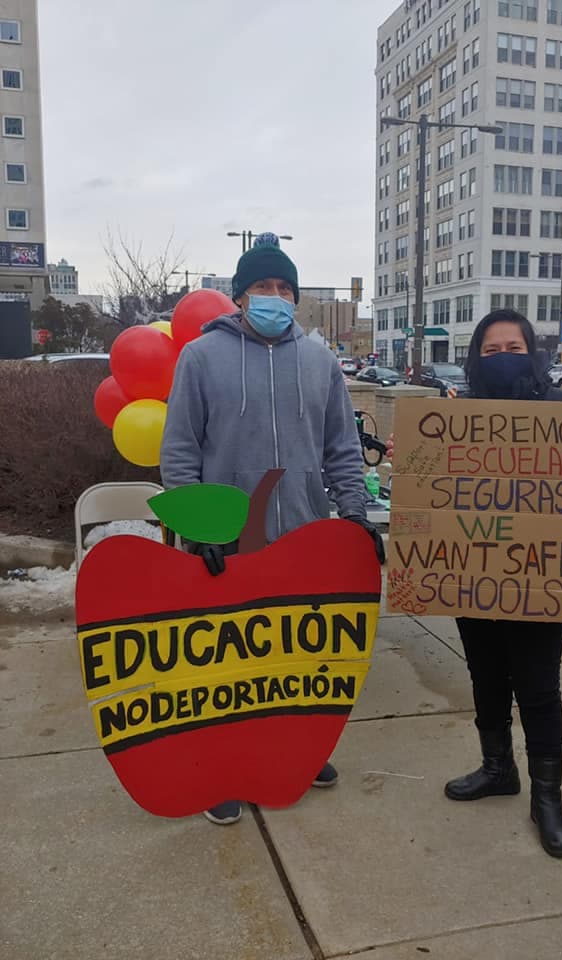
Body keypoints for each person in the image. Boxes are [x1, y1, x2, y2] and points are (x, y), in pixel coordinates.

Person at [160, 233, 385, 826]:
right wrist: (196, 527)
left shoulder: (319, 361)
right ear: (239, 297)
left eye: (285, 288)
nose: (275, 297)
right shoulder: (201, 359)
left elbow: (340, 447)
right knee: (224, 665)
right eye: (263, 287)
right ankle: (224, 772)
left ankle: (298, 755)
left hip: (304, 536)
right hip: (228, 540)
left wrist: (355, 518)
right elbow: (180, 452)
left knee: (296, 658)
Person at [388, 309, 562, 859]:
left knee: (538, 687)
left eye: (512, 347)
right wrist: (414, 461)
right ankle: (498, 768)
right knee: (486, 675)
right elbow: (427, 490)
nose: (502, 358)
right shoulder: (457, 414)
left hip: (537, 575)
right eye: (490, 351)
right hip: (473, 575)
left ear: (533, 352)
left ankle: (548, 798)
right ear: (475, 359)